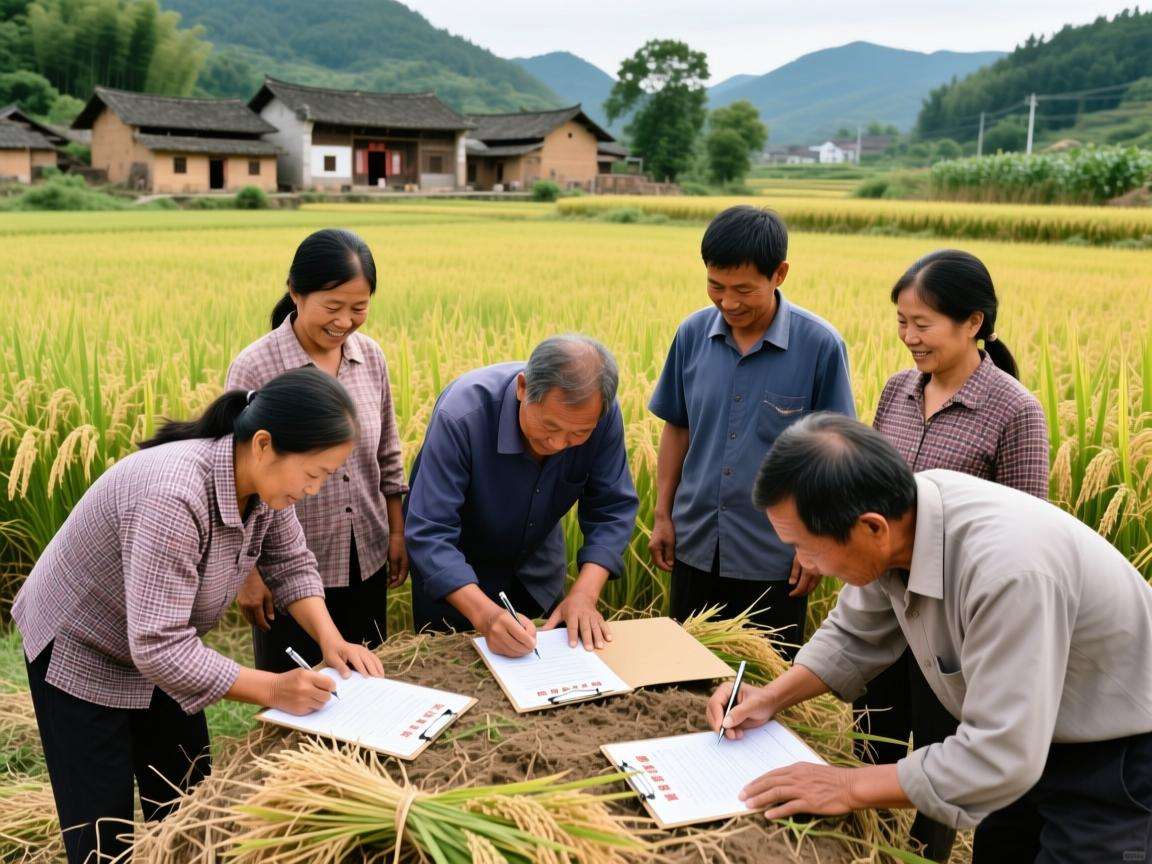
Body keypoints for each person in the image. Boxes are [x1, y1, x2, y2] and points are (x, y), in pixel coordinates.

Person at [706, 413, 1152, 864]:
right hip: (1031, 740)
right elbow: (853, 633)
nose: (806, 564)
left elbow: (999, 755)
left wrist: (846, 786)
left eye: (807, 547)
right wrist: (769, 698)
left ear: (872, 528)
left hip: (1115, 760)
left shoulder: (1007, 575)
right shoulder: (906, 519)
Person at [12, 368, 385, 864]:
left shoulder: (265, 487)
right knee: (101, 832)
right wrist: (274, 689)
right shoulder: (175, 496)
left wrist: (331, 641)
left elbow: (291, 562)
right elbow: (160, 646)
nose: (314, 489)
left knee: (189, 801)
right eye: (313, 474)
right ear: (264, 445)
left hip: (159, 645)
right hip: (81, 649)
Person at [858, 249, 1050, 860]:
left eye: (923, 324)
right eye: (901, 322)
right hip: (888, 606)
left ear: (973, 322)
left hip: (955, 625)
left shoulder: (1015, 410)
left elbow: (1025, 532)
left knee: (939, 760)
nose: (909, 338)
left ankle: (926, 852)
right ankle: (863, 845)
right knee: (873, 738)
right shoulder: (897, 392)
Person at [648, 205, 855, 657]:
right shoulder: (691, 335)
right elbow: (677, 429)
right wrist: (664, 514)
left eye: (744, 289)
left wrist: (815, 543)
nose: (728, 302)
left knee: (763, 691)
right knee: (684, 677)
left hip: (775, 558)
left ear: (779, 274)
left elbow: (834, 456)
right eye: (715, 287)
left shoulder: (819, 345)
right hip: (694, 543)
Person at [227, 228, 408, 672]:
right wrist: (247, 577)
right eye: (332, 307)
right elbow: (233, 478)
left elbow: (388, 451)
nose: (345, 321)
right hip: (284, 567)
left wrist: (397, 532)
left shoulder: (371, 357)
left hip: (364, 551)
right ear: (295, 292)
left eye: (359, 308)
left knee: (366, 677)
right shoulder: (257, 366)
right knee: (295, 692)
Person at [405, 334, 639, 657]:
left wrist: (584, 595)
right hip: (456, 586)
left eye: (578, 434)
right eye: (549, 427)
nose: (558, 444)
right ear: (523, 388)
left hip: (536, 575)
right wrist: (486, 617)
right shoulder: (462, 416)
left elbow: (612, 507)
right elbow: (429, 532)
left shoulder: (601, 416)